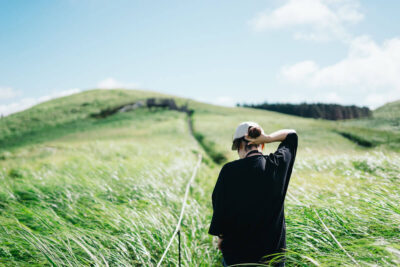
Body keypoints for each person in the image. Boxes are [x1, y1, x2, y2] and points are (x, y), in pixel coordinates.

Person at [208, 121, 298, 266]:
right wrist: (268, 138)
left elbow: (219, 205)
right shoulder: (277, 165)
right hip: (272, 258)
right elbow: (292, 135)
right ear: (261, 144)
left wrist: (221, 236)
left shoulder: (229, 171)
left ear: (239, 145)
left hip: (237, 256)